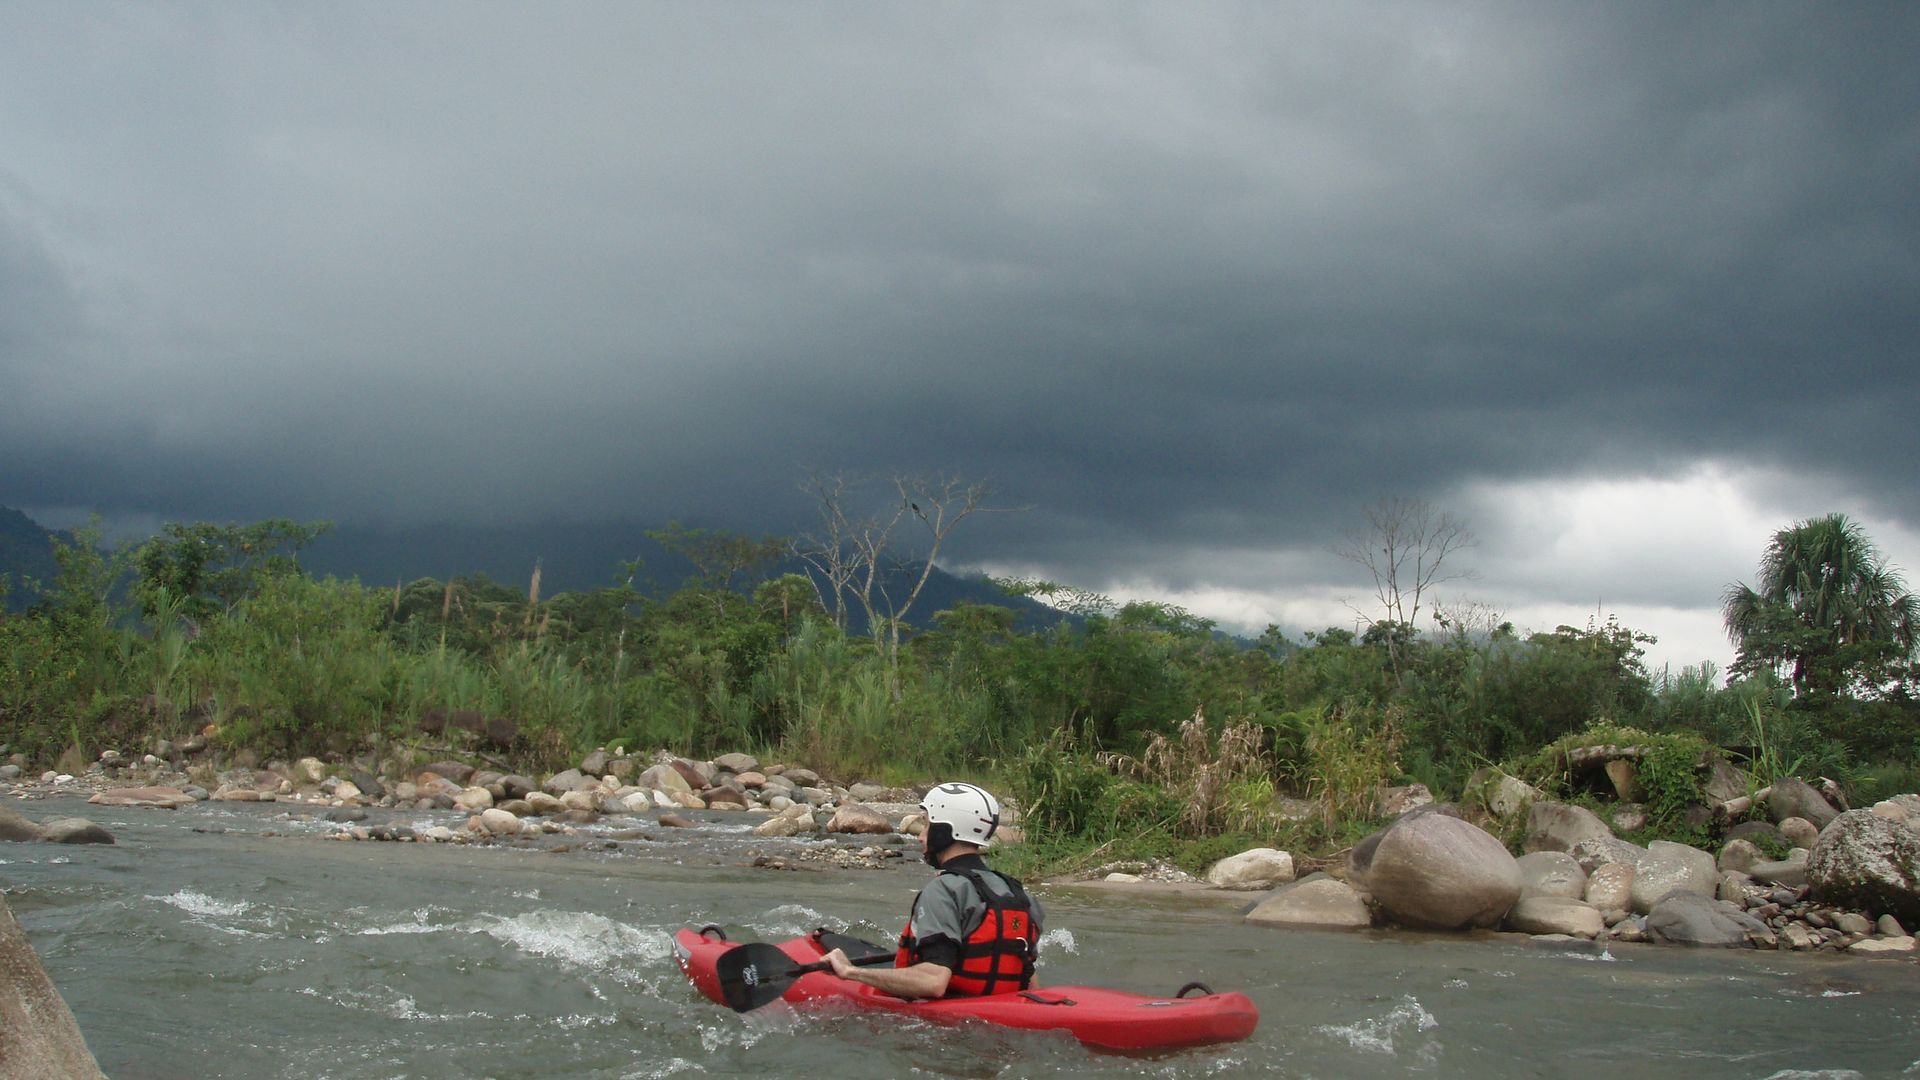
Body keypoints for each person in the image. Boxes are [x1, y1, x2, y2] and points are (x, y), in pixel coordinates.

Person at [822, 781, 1043, 999]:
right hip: (1001, 1014)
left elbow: (933, 982)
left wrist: (850, 972)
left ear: (946, 830)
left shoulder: (944, 890)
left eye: (928, 825)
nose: (920, 836)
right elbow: (1029, 980)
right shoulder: (1018, 892)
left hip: (954, 1025)